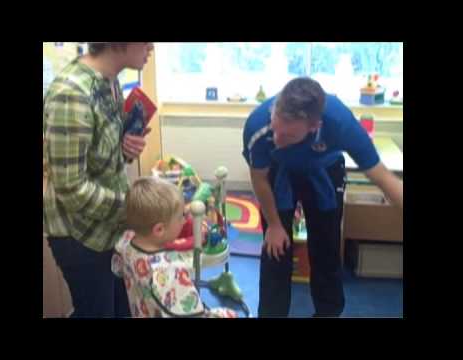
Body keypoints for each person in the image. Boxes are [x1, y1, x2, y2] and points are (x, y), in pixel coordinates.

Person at [242, 77, 403, 317]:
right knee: (275, 251)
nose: (277, 139)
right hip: (279, 173)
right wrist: (274, 225)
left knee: (326, 250)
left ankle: (328, 313)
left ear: (313, 127)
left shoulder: (339, 122)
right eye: (276, 129)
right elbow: (259, 179)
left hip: (324, 171)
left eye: (287, 136)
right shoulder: (259, 126)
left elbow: (384, 179)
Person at [43, 42, 154, 317]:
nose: (152, 46)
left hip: (108, 228)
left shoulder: (110, 81)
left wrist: (124, 148)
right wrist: (135, 208)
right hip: (80, 237)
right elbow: (72, 188)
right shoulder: (71, 94)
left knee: (122, 307)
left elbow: (105, 157)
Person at [111, 176, 237, 318]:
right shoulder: (168, 269)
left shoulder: (125, 242)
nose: (185, 220)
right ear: (159, 230)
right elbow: (190, 313)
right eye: (181, 216)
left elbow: (117, 269)